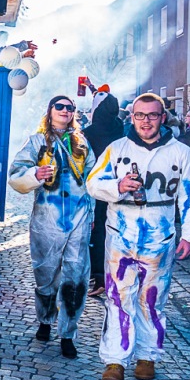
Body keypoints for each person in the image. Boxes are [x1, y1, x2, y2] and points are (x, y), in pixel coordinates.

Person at [87, 93, 190, 380]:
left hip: (159, 235)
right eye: (140, 115)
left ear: (162, 117)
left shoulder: (181, 153)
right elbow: (93, 184)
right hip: (120, 235)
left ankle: (147, 356)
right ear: (132, 117)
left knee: (152, 299)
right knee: (117, 297)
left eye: (152, 115)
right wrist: (118, 185)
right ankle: (115, 359)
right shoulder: (116, 149)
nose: (146, 121)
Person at [8, 96, 94, 358]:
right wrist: (35, 174)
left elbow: (94, 178)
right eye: (60, 106)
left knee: (76, 279)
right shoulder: (36, 142)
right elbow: (15, 175)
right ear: (50, 111)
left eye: (70, 108)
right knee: (45, 276)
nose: (65, 111)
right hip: (47, 219)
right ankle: (45, 318)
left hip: (79, 218)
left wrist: (93, 214)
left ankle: (68, 334)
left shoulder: (82, 143)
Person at [82, 90, 121, 298]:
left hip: (97, 187)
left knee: (97, 232)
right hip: (118, 186)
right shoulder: (121, 127)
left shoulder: (90, 132)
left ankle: (99, 277)